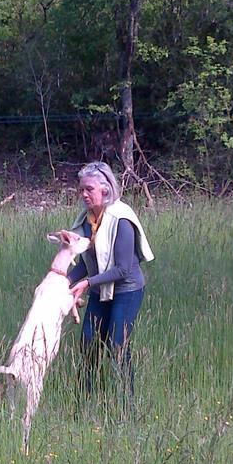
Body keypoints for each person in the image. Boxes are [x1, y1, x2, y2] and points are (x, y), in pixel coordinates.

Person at [67, 161, 154, 396]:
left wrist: (86, 283)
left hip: (126, 290)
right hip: (98, 289)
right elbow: (87, 263)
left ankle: (128, 406)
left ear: (105, 190)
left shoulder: (121, 218)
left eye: (89, 189)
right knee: (88, 344)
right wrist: (63, 281)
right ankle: (86, 401)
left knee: (117, 344)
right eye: (81, 189)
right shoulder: (86, 220)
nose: (83, 194)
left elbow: (123, 269)